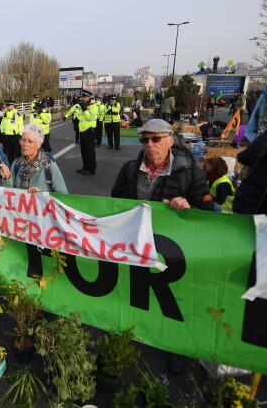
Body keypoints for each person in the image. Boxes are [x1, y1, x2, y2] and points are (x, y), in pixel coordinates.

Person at [110, 118, 214, 374]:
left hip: (173, 249)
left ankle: (175, 347)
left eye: (156, 139)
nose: (149, 144)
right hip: (137, 244)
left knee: (173, 299)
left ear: (170, 140)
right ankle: (132, 332)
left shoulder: (189, 171)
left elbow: (209, 210)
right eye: (145, 139)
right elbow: (115, 201)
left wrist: (189, 207)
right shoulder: (130, 168)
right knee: (136, 290)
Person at [0, 123, 67, 194]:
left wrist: (41, 194)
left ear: (39, 144)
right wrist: (7, 177)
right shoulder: (16, 164)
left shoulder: (49, 167)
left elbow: (64, 195)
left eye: (30, 141)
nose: (25, 144)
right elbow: (9, 193)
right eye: (23, 140)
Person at [76, 90, 96, 176]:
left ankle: (91, 169)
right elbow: (79, 117)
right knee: (83, 151)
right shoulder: (82, 105)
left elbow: (89, 118)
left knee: (90, 151)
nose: (83, 98)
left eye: (84, 97)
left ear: (89, 97)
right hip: (82, 130)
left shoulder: (93, 106)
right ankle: (85, 167)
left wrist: (85, 110)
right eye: (82, 97)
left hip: (89, 130)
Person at [0, 99, 24, 165]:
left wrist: (20, 135)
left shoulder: (17, 114)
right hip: (6, 137)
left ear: (13, 105)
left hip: (14, 137)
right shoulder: (5, 114)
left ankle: (19, 167)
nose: (7, 106)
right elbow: (2, 124)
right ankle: (12, 169)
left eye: (9, 105)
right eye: (7, 105)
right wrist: (2, 132)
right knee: (9, 155)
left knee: (17, 154)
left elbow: (21, 125)